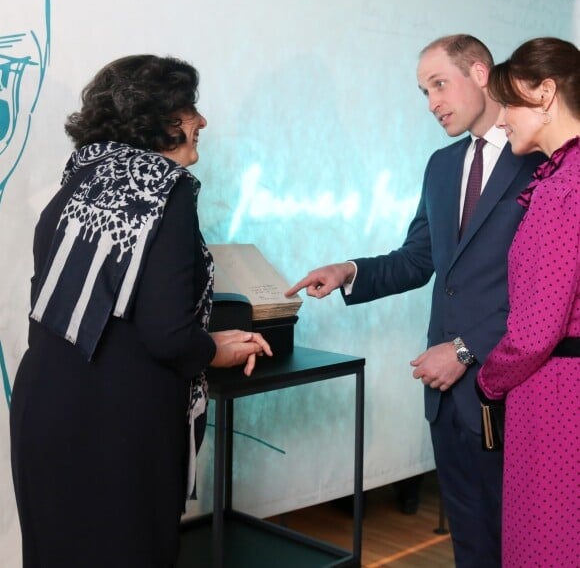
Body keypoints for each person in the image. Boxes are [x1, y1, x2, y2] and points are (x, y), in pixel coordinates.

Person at [285, 34, 545, 567]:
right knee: (470, 541)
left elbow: (548, 288)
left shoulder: (540, 159)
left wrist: (466, 348)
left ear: (479, 72)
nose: (432, 103)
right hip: (446, 394)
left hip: (515, 385)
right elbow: (417, 259)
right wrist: (349, 271)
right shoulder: (442, 166)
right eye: (424, 92)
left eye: (439, 85)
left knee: (523, 542)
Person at [9, 54, 272, 568]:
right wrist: (211, 349)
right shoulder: (165, 189)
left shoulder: (77, 180)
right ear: (160, 118)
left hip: (44, 410)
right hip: (117, 428)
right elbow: (168, 334)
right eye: (189, 108)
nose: (202, 122)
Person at [477, 37, 580, 568]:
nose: (502, 121)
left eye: (510, 104)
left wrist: (489, 379)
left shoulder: (565, 187)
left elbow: (537, 328)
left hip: (557, 397)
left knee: (548, 543)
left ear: (546, 93)